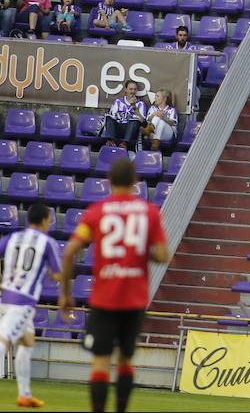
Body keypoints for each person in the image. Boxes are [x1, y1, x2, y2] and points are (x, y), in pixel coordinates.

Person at [59, 159, 169, 413]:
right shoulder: (149, 212)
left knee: (100, 363)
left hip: (104, 300)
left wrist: (65, 294)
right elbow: (163, 255)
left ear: (109, 181)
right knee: (126, 361)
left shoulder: (97, 212)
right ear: (135, 183)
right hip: (135, 300)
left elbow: (69, 253)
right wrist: (140, 252)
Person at [0, 204, 61, 408]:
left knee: (26, 343)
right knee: (3, 343)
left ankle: (25, 395)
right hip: (22, 301)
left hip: (7, 296)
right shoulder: (47, 242)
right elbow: (57, 274)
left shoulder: (12, 238)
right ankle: (24, 394)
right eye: (49, 219)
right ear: (45, 220)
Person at [103, 79, 148, 149]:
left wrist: (135, 109)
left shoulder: (140, 104)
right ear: (125, 90)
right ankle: (110, 142)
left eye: (135, 89)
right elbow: (112, 115)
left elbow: (144, 122)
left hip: (131, 130)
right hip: (118, 127)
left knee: (135, 121)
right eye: (130, 89)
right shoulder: (118, 102)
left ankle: (124, 143)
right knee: (109, 118)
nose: (133, 91)